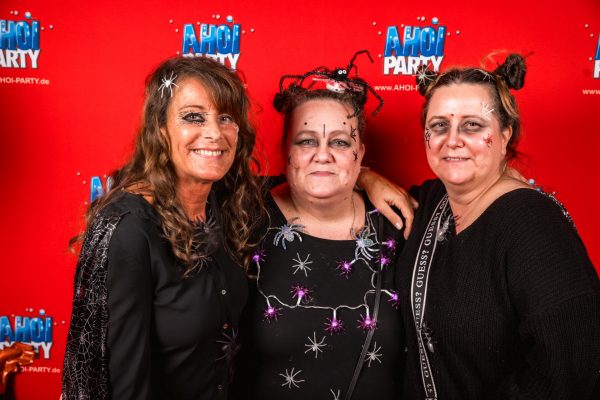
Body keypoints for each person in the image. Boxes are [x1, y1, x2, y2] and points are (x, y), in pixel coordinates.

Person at [369, 53, 600, 399]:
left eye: (473, 125)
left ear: (505, 135)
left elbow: (572, 365)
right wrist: (365, 176)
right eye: (439, 126)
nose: (453, 139)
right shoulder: (429, 202)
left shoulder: (534, 224)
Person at [62, 56, 268, 400]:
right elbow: (125, 384)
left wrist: (362, 176)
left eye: (226, 117)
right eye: (193, 117)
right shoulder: (130, 228)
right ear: (160, 128)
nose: (214, 133)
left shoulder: (226, 201)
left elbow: (306, 182)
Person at [232, 53, 405, 400]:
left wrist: (366, 177)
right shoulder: (244, 216)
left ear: (361, 153)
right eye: (307, 141)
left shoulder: (396, 223)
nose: (322, 155)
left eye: (340, 142)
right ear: (285, 150)